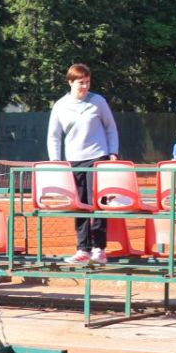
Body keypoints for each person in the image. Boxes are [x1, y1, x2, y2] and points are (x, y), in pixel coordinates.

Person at [46, 63, 119, 265]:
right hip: (74, 161)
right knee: (80, 206)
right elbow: (54, 136)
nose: (85, 86)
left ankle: (99, 249)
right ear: (70, 82)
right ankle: (83, 249)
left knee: (98, 204)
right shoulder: (60, 105)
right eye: (81, 82)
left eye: (87, 82)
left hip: (98, 158)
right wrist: (56, 162)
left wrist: (113, 152)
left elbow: (111, 128)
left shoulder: (99, 102)